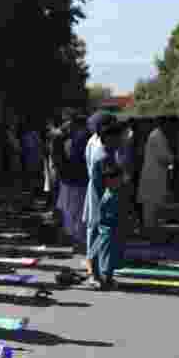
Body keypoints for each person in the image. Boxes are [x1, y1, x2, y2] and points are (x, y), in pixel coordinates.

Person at [83, 113, 127, 285]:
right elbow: (114, 183)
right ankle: (99, 275)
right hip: (102, 200)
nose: (121, 141)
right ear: (109, 137)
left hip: (99, 197)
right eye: (118, 138)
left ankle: (100, 274)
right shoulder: (104, 156)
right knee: (102, 237)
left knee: (99, 236)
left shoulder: (101, 148)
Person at [89, 157, 125, 289]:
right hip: (108, 232)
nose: (120, 182)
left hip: (111, 231)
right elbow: (109, 216)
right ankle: (106, 279)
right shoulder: (110, 195)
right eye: (117, 180)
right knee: (107, 259)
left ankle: (106, 278)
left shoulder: (113, 193)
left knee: (109, 258)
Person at [56, 112, 90, 247]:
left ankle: (76, 237)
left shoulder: (79, 138)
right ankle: (77, 237)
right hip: (78, 180)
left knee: (73, 210)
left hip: (74, 180)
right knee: (77, 210)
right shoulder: (82, 136)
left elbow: (74, 160)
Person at [138, 116, 176, 231]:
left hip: (155, 174)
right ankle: (149, 231)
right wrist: (174, 158)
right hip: (153, 176)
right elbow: (163, 157)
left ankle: (151, 229)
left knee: (153, 205)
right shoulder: (157, 136)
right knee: (151, 206)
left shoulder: (158, 135)